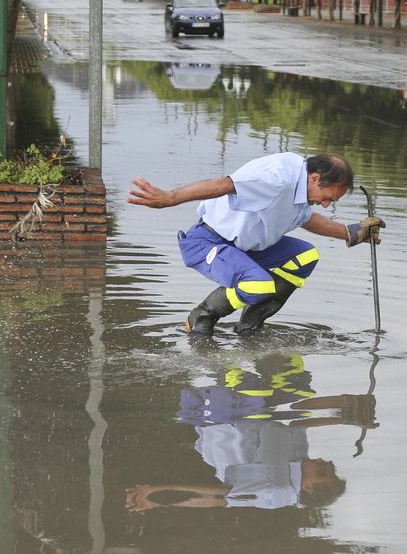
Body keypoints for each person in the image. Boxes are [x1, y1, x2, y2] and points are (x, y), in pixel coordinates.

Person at [128, 153, 386, 336]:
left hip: (247, 248)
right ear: (316, 178)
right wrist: (169, 198)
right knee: (258, 283)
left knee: (306, 256)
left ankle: (250, 325)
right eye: (328, 197)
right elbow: (224, 185)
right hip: (208, 243)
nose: (327, 204)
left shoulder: (303, 186)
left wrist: (352, 233)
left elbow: (307, 220)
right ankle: (202, 316)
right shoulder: (277, 179)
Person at [125, 354, 376, 511]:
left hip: (219, 417)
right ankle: (268, 356)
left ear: (308, 487)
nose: (322, 461)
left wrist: (157, 492)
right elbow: (298, 420)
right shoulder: (301, 461)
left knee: (253, 394)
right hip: (252, 414)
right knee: (297, 386)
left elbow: (217, 498)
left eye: (323, 471)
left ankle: (220, 358)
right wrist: (345, 412)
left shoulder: (274, 490)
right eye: (329, 465)